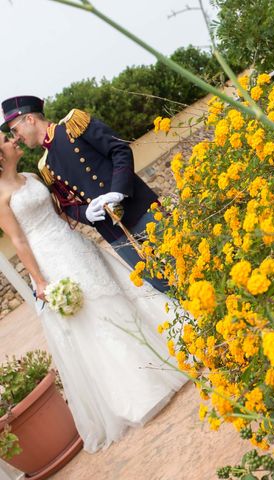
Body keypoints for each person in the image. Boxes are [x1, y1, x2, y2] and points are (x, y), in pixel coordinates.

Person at [0, 132, 187, 453]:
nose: (13, 140)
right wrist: (40, 281)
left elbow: (58, 211)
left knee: (113, 294)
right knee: (93, 318)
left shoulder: (31, 175)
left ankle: (167, 355)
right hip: (48, 259)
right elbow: (18, 242)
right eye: (6, 140)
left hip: (70, 244)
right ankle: (138, 390)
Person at [0, 95, 167, 292]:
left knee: (185, 258)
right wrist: (86, 213)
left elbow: (119, 150)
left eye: (14, 129)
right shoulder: (46, 165)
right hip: (114, 233)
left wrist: (117, 192)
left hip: (141, 209)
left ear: (29, 119)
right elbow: (67, 204)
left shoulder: (74, 125)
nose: (16, 136)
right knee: (160, 286)